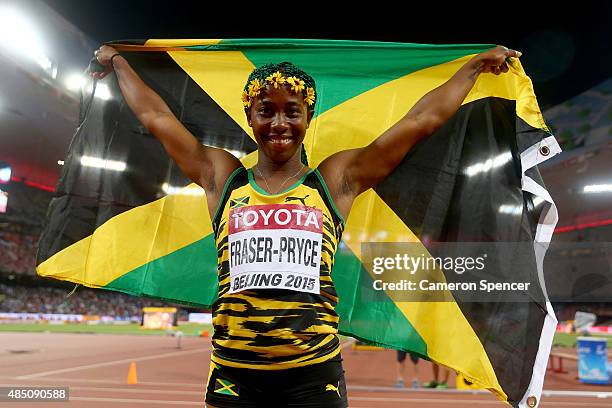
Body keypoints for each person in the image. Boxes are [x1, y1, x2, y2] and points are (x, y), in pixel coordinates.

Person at [93, 43, 519, 408]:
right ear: (250, 116)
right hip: (233, 372)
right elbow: (156, 119)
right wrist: (118, 63)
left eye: (291, 111)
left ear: (308, 117)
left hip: (313, 375)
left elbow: (418, 123)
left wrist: (472, 68)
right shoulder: (223, 177)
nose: (279, 123)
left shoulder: (334, 180)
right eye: (266, 111)